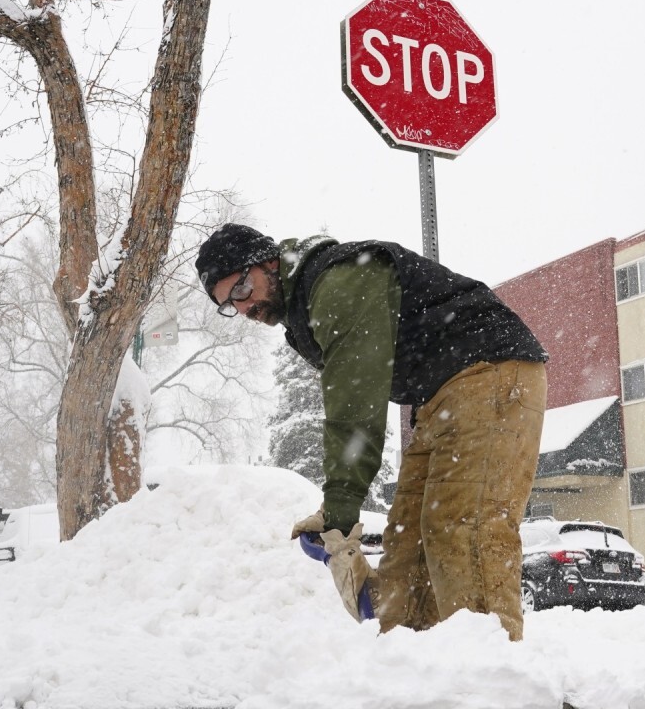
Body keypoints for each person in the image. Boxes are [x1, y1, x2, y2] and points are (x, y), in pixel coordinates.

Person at [195, 223, 548, 640]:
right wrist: (337, 530)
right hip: (439, 399)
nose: (242, 307)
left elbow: (354, 404)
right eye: (228, 305)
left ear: (268, 262)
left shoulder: (337, 281)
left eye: (241, 289)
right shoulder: (306, 304)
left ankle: (496, 682)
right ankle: (414, 670)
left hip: (490, 373)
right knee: (408, 549)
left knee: (462, 530)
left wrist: (340, 511)